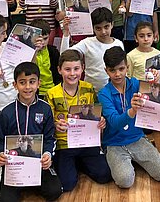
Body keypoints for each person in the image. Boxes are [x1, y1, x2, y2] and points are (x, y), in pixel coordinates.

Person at [98, 46, 160, 188]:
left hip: (137, 138)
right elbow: (114, 122)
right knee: (125, 181)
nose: (118, 74)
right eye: (112, 70)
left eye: (121, 69)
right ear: (106, 70)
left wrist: (157, 80)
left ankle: (135, 159)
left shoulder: (136, 84)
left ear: (127, 67)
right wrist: (132, 111)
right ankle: (129, 161)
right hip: (114, 143)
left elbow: (158, 96)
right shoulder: (103, 94)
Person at [0, 62, 63, 201]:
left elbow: (50, 138)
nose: (28, 87)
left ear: (39, 83)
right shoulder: (7, 112)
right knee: (4, 199)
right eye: (22, 82)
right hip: (13, 165)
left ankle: (30, 182)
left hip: (37, 162)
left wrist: (47, 154)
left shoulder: (45, 109)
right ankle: (0, 176)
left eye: (32, 82)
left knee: (55, 191)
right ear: (15, 85)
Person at [47, 49, 112, 192]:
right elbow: (48, 122)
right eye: (67, 69)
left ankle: (79, 162)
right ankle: (72, 163)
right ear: (59, 70)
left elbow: (97, 113)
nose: (72, 73)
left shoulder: (88, 88)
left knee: (105, 175)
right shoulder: (51, 93)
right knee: (67, 185)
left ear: (83, 68)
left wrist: (101, 120)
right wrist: (56, 124)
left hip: (87, 141)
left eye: (76, 69)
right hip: (65, 144)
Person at [60, 7, 124, 93]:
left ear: (112, 24)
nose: (103, 31)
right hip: (90, 92)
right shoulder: (87, 43)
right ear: (93, 28)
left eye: (106, 27)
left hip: (113, 92)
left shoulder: (119, 44)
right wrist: (66, 33)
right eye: (98, 28)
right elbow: (64, 55)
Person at [30, 19, 61, 100]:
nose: (43, 42)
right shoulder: (28, 52)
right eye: (39, 40)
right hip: (35, 92)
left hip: (53, 90)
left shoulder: (53, 52)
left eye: (45, 38)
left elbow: (58, 73)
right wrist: (35, 51)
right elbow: (30, 70)